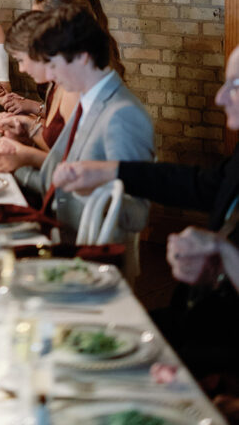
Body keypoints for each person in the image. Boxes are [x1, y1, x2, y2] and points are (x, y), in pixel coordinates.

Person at [53, 42, 239, 376]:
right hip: (193, 321)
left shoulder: (121, 111)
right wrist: (112, 171)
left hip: (220, 356)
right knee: (64, 341)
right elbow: (201, 185)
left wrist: (226, 256)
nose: (220, 97)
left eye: (236, 85)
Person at [0, 6, 154, 237]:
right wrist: (14, 166)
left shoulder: (122, 114)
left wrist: (92, 188)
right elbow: (56, 181)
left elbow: (137, 215)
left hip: (87, 251)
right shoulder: (89, 100)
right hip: (58, 228)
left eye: (53, 65)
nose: (50, 76)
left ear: (82, 57)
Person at [0, 0, 125, 110]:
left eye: (37, 21)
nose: (32, 29)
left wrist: (30, 119)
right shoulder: (64, 69)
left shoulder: (78, 81)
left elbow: (61, 127)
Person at [0, 11, 80, 170]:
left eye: (21, 60)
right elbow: (55, 147)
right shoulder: (57, 85)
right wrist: (24, 127)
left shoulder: (73, 91)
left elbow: (73, 169)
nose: (21, 69)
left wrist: (25, 156)